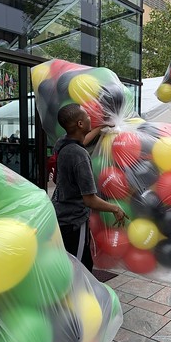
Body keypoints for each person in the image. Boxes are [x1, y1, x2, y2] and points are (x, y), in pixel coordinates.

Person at [52, 103, 127, 272]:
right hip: (73, 221)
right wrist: (115, 208)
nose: (89, 118)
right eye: (86, 116)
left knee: (72, 261)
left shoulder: (63, 143)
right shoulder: (80, 156)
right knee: (80, 267)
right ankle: (76, 297)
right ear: (80, 124)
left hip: (61, 213)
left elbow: (81, 140)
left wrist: (101, 126)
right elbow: (89, 199)